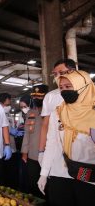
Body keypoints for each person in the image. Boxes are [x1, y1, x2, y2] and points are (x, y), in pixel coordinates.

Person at [38, 70, 95, 206]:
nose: (64, 91)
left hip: (88, 176)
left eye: (68, 87)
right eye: (61, 88)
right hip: (60, 172)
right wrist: (44, 173)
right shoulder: (57, 112)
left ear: (83, 85)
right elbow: (51, 143)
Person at [38, 59, 76, 165]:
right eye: (55, 74)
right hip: (56, 152)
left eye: (62, 73)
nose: (58, 76)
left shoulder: (88, 93)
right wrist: (41, 151)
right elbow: (45, 126)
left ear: (73, 71)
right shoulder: (50, 96)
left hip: (84, 154)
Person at [21, 84, 48, 198]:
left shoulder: (54, 112)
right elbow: (27, 134)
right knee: (33, 185)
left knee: (48, 187)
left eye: (40, 96)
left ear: (46, 96)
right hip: (32, 156)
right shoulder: (30, 113)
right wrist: (24, 152)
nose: (36, 99)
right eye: (34, 96)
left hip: (48, 156)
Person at [0, 92, 19, 189]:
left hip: (12, 147)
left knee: (12, 174)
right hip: (3, 148)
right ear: (1, 103)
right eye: (7, 104)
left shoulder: (7, 113)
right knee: (6, 174)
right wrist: (11, 131)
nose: (9, 106)